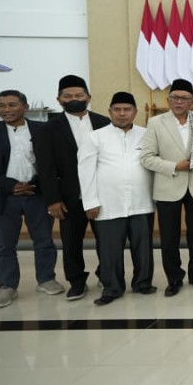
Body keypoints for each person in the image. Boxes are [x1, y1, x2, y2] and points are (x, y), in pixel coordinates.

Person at [0, 90, 59, 308]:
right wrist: (8, 185)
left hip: (36, 194)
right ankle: (7, 286)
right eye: (1, 105)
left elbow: (52, 161)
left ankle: (46, 279)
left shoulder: (43, 130)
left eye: (11, 105)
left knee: (44, 240)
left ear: (25, 107)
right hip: (1, 196)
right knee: (3, 245)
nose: (6, 110)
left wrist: (34, 184)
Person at [34, 74, 110, 301]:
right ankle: (76, 282)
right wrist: (52, 200)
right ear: (59, 100)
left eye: (79, 95)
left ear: (88, 97)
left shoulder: (104, 122)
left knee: (107, 240)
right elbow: (45, 168)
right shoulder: (47, 129)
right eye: (68, 96)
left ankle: (106, 276)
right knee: (71, 242)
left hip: (102, 194)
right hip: (68, 197)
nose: (74, 99)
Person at [77, 92, 156, 305]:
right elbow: (85, 172)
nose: (122, 114)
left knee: (143, 248)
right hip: (107, 204)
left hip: (142, 202)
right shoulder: (95, 137)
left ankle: (143, 283)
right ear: (110, 112)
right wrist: (90, 202)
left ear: (135, 112)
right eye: (117, 110)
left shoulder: (146, 134)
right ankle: (112, 288)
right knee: (110, 250)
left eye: (127, 109)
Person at [140, 78, 193, 296]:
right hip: (168, 186)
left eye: (184, 98)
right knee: (169, 237)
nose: (179, 101)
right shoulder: (155, 123)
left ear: (192, 101)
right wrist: (175, 166)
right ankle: (174, 279)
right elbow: (146, 157)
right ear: (168, 100)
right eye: (175, 98)